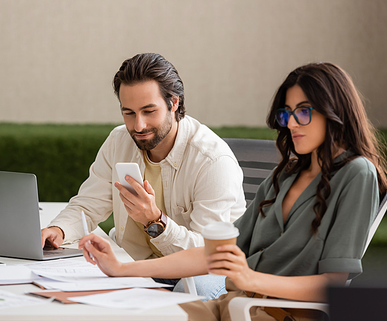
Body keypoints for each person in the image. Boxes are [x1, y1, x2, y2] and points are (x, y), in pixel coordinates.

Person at [78, 62, 387, 320]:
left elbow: (333, 284)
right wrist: (122, 269)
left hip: (277, 313)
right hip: (236, 302)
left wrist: (249, 279)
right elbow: (212, 254)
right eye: (286, 113)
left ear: (333, 112)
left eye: (304, 112)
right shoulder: (285, 175)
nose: (292, 124)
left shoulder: (355, 173)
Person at [41, 53, 246, 300]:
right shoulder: (118, 141)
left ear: (174, 103)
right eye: (129, 113)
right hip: (137, 264)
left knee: (192, 292)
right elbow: (88, 204)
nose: (138, 126)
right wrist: (58, 229)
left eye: (149, 111)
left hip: (204, 271)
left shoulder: (212, 161)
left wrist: (154, 221)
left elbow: (205, 253)